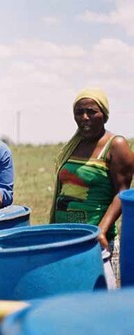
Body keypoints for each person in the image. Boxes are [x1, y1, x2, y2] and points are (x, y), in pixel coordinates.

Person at [50, 88, 134, 254]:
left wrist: (101, 230)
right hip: (64, 237)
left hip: (97, 241)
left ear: (104, 114)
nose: (84, 117)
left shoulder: (116, 145)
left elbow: (122, 193)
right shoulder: (74, 145)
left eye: (91, 112)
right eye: (79, 112)